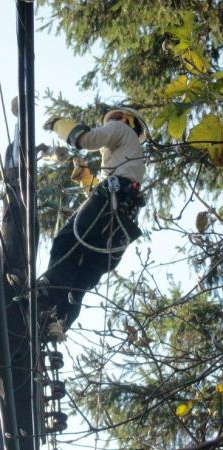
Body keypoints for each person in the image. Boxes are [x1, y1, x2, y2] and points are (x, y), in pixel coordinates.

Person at [38, 107, 148, 332]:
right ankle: (58, 322)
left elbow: (85, 139)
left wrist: (59, 124)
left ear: (126, 121)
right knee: (83, 275)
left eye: (114, 120)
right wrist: (88, 181)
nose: (111, 123)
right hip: (123, 218)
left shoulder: (120, 129)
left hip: (112, 198)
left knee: (66, 243)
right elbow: (111, 194)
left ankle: (45, 294)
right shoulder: (131, 158)